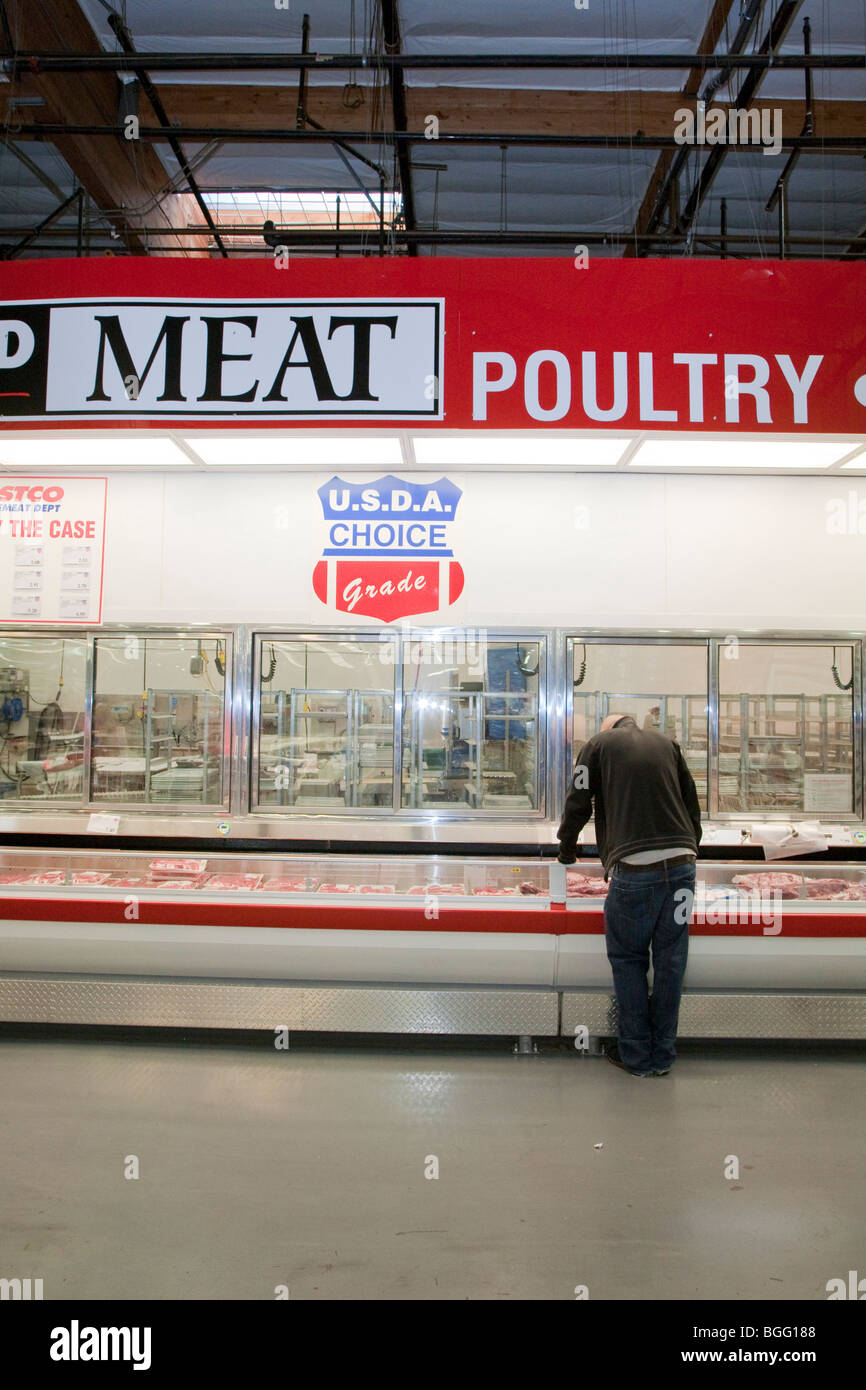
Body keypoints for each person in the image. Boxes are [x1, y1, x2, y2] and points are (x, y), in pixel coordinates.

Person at [556, 712, 702, 1078]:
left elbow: (579, 797)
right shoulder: (668, 744)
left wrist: (566, 849)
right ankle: (663, 1055)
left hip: (635, 871)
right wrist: (690, 847)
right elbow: (691, 799)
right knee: (671, 962)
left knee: (628, 960)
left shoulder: (598, 745)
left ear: (608, 730)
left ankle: (636, 1056)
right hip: (683, 866)